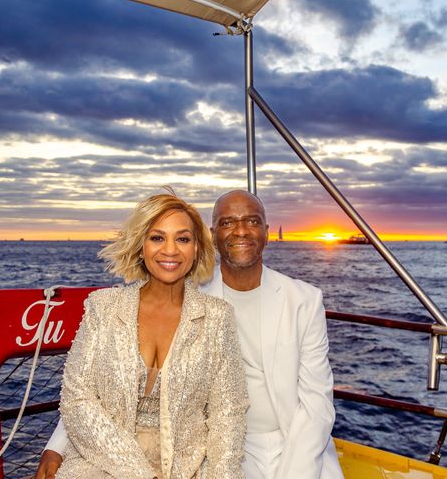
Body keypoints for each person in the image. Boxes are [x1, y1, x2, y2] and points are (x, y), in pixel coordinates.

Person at [36, 190, 343, 479]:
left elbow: (315, 404)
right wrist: (56, 444)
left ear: (266, 232)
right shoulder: (190, 292)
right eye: (227, 222)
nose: (240, 231)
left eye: (252, 221)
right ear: (212, 236)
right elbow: (94, 384)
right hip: (216, 445)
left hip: (283, 440)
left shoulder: (302, 300)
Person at [51, 191, 248, 479]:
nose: (170, 250)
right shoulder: (103, 307)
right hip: (103, 462)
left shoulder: (217, 317)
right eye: (157, 238)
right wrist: (142, 475)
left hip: (189, 468)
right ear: (141, 246)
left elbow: (227, 414)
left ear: (197, 249)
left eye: (183, 239)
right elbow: (76, 398)